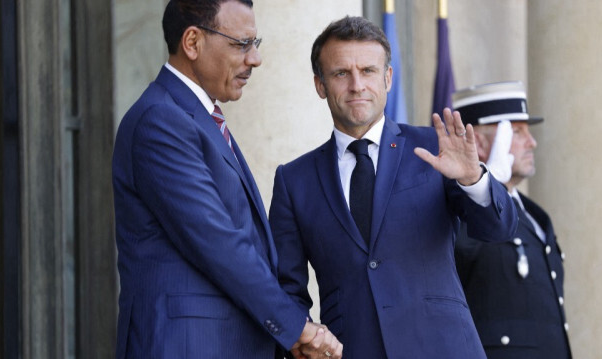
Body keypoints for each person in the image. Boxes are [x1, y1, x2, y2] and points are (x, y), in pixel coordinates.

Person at [268, 16, 518, 359]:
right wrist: (305, 339)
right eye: (342, 73)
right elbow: (287, 289)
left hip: (444, 348)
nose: (357, 85)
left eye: (368, 71)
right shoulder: (294, 180)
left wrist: (472, 179)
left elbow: (497, 229)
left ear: (388, 78)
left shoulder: (435, 146)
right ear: (320, 85)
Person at [112, 1, 342, 358]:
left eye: (256, 44)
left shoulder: (196, 118)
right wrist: (296, 327)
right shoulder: (161, 120)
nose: (255, 59)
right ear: (192, 42)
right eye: (241, 44)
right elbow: (217, 241)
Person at [453, 81, 571, 358]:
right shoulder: (458, 208)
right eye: (516, 132)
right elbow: (458, 250)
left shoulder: (534, 214)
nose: (532, 142)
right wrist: (487, 184)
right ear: (479, 142)